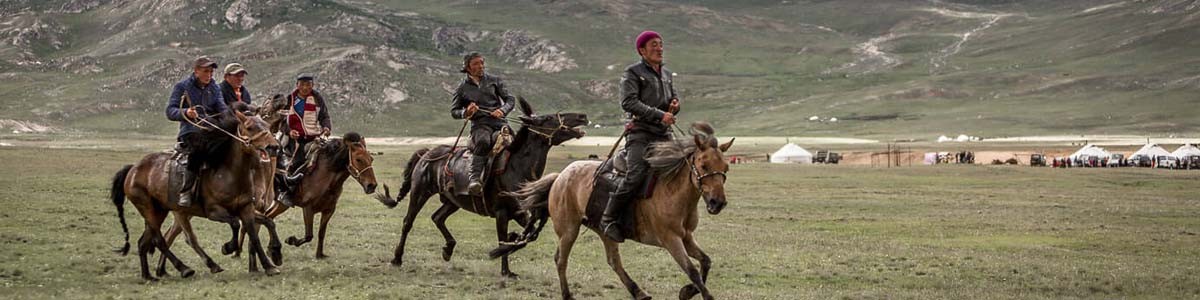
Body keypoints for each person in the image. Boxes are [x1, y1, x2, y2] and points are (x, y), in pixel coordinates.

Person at [601, 30, 681, 242]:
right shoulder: (632, 73)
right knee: (635, 175)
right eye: (653, 45)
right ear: (642, 50)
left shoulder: (666, 74)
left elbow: (672, 100)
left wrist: (675, 105)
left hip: (663, 134)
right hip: (641, 134)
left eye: (661, 44)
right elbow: (628, 102)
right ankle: (608, 218)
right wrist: (659, 114)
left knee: (680, 170)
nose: (659, 48)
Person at [165, 56, 228, 207]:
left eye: (211, 72)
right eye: (206, 71)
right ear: (196, 71)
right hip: (190, 130)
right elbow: (170, 111)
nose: (209, 75)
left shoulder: (214, 87)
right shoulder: (182, 87)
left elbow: (222, 108)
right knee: (199, 149)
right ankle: (185, 191)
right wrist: (186, 113)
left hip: (210, 128)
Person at [449, 52, 515, 196]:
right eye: (476, 64)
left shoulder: (494, 80)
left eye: (482, 63)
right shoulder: (462, 88)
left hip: (500, 123)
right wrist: (466, 112)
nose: (481, 66)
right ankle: (474, 180)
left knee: (515, 144)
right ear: (467, 67)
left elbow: (510, 99)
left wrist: (502, 110)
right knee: (484, 141)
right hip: (480, 125)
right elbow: (454, 111)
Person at [280, 74, 331, 206]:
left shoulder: (317, 98)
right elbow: (281, 122)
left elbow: (324, 116)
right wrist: (290, 132)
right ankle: (288, 193)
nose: (305, 87)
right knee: (297, 163)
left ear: (312, 85)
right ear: (297, 85)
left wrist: (326, 127)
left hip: (313, 137)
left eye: (308, 84)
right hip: (294, 141)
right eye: (302, 84)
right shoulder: (289, 100)